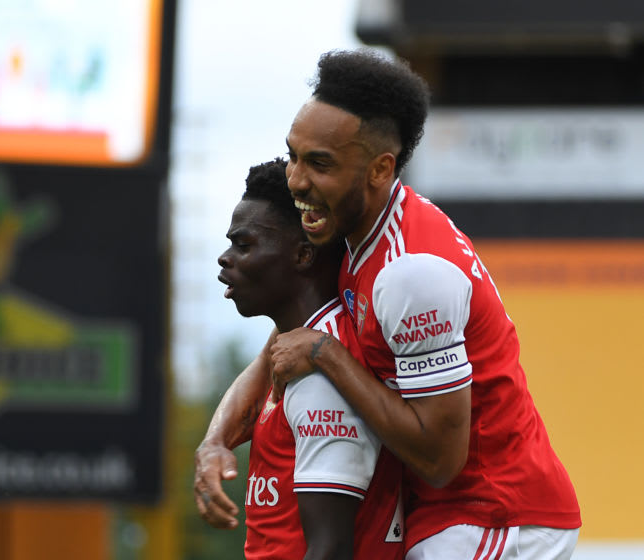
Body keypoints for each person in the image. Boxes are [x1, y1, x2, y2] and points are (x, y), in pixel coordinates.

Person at [195, 49, 581, 559]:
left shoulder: (411, 272)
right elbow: (282, 349)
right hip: (444, 514)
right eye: (294, 155)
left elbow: (442, 460)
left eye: (320, 164)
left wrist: (326, 355)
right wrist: (216, 439)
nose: (297, 181)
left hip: (497, 516)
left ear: (380, 169)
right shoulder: (355, 234)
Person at [198, 157, 404, 559]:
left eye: (244, 245)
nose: (225, 258)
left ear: (303, 256)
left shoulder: (321, 379)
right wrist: (213, 442)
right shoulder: (296, 348)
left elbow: (329, 549)